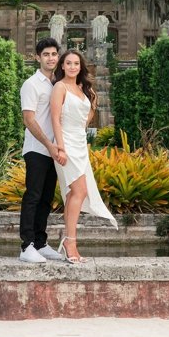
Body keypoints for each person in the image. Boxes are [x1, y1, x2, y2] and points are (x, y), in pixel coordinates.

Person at [49, 49, 117, 263]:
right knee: (79, 191)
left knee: (72, 194)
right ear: (62, 66)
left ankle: (67, 238)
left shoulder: (81, 88)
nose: (72, 67)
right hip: (66, 144)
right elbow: (55, 119)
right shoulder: (59, 87)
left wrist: (92, 104)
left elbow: (84, 121)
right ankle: (71, 242)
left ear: (80, 67)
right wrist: (60, 147)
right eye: (68, 63)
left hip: (80, 144)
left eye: (76, 63)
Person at [17, 37, 66, 263]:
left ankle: (40, 242)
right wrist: (49, 144)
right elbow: (29, 119)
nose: (50, 58)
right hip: (37, 149)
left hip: (54, 151)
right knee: (33, 197)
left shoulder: (57, 83)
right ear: (38, 57)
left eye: (54, 54)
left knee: (46, 199)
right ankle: (26, 246)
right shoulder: (31, 84)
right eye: (46, 54)